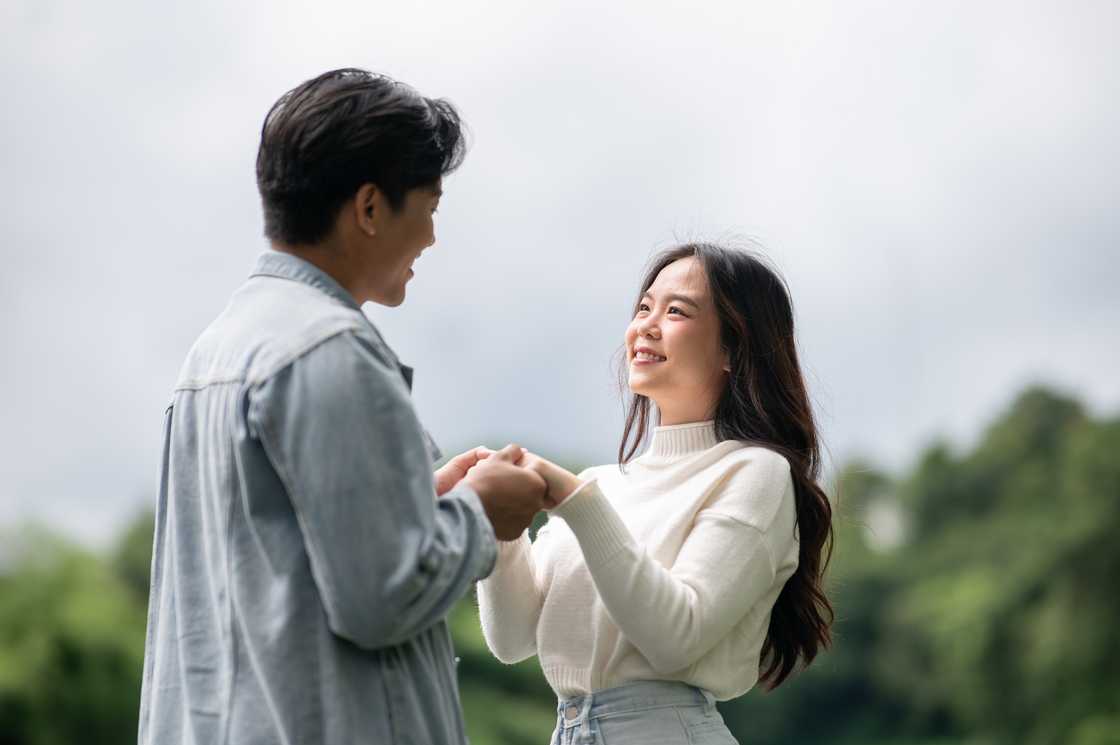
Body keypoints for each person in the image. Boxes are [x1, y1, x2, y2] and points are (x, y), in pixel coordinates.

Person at [138, 68, 547, 745]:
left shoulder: (211, 356)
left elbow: (280, 568)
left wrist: (423, 502)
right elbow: (382, 594)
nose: (433, 237)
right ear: (369, 207)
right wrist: (479, 515)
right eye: (430, 205)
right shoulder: (329, 349)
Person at [477, 243, 835, 745]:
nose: (646, 324)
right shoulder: (602, 485)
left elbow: (676, 639)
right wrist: (499, 523)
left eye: (675, 311)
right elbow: (512, 639)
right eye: (644, 307)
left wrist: (574, 500)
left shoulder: (754, 473)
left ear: (733, 348)